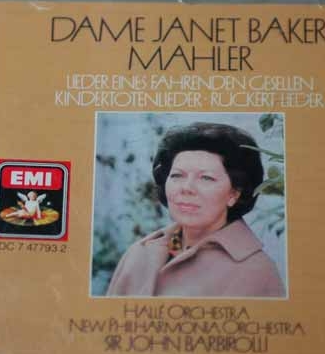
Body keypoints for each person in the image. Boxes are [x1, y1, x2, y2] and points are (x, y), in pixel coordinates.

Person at [106, 122, 285, 297]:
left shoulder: (256, 271)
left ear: (234, 194)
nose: (187, 188)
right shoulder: (140, 253)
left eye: (206, 178)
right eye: (177, 175)